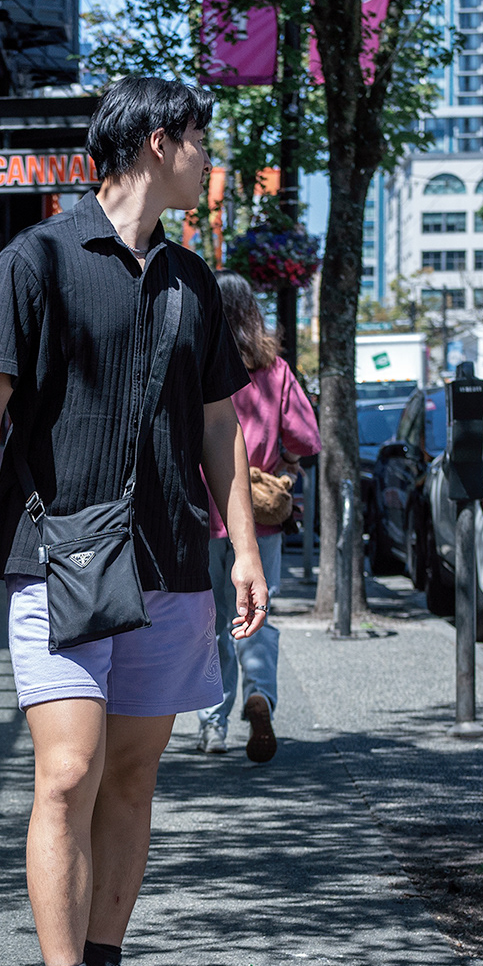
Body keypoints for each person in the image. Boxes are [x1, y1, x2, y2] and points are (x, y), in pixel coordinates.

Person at [0, 78, 268, 966]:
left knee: (131, 776)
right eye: (201, 141)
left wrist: (243, 545)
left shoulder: (193, 281)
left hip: (171, 556)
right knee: (68, 772)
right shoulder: (34, 259)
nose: (209, 159)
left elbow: (220, 426)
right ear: (160, 142)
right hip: (60, 552)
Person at [197, 271, 320, 761]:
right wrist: (281, 461)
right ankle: (260, 695)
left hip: (203, 510)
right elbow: (306, 440)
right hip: (261, 515)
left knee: (210, 620)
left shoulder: (197, 365)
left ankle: (212, 724)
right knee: (257, 614)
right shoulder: (275, 371)